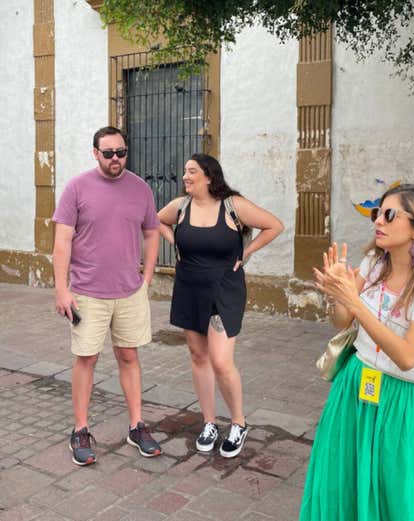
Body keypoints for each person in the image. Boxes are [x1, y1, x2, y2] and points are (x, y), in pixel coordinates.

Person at [300, 184, 414, 520]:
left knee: (399, 496)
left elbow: (407, 356)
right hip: (355, 386)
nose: (379, 221)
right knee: (343, 482)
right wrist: (337, 293)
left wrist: (355, 302)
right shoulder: (375, 263)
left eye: (390, 215)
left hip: (403, 400)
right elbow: (341, 322)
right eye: (377, 213)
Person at [157, 154, 284, 458]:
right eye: (185, 171)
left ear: (209, 176)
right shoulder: (181, 206)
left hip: (224, 289)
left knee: (221, 361)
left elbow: (274, 225)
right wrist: (173, 241)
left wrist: (247, 251)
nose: (185, 176)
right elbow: (153, 219)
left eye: (191, 172)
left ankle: (238, 423)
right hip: (189, 287)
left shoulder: (232, 205)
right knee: (198, 356)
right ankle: (209, 423)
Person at [53, 126, 162, 466]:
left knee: (128, 356)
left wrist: (146, 276)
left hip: (129, 292)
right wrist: (61, 289)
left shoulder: (140, 188)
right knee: (87, 358)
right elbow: (62, 242)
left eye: (122, 152)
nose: (116, 159)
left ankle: (136, 425)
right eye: (109, 152)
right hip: (87, 292)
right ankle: (81, 429)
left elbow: (152, 231)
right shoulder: (77, 188)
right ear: (95, 153)